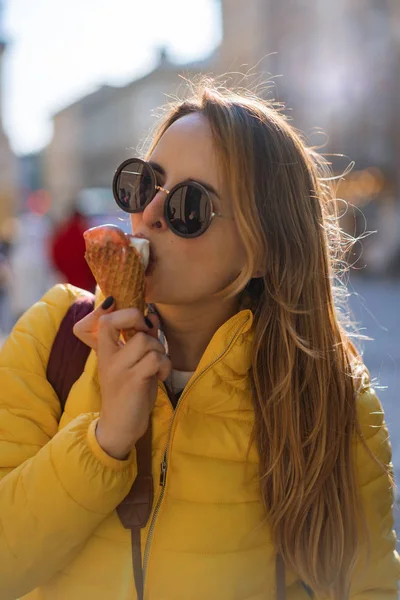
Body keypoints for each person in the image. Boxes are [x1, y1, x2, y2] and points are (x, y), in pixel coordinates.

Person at [0, 81, 399, 600]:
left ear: (262, 251)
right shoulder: (53, 336)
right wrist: (104, 442)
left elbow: (366, 586)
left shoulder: (332, 395)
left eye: (191, 206)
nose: (150, 215)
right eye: (145, 185)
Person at [49, 205, 96, 292]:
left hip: (69, 283)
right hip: (87, 284)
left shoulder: (62, 235)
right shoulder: (85, 236)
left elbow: (55, 257)